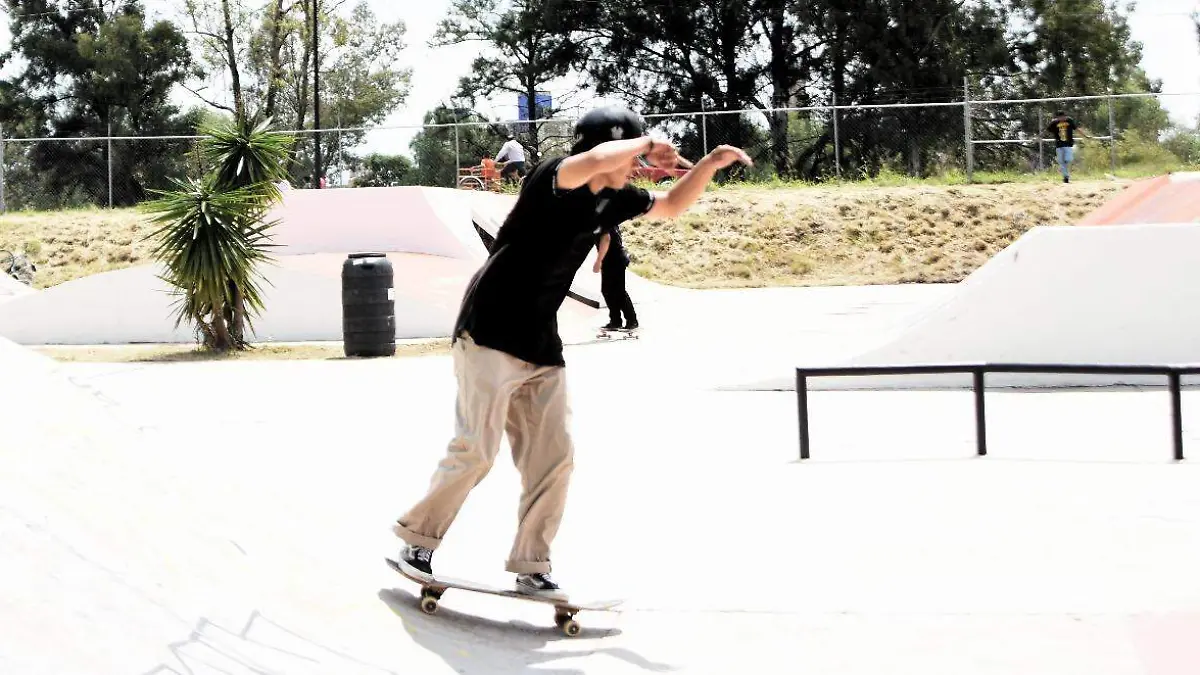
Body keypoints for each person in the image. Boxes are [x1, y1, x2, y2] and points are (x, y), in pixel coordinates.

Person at [391, 106, 751, 599]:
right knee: (477, 449)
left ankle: (531, 564)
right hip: (489, 328)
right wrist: (646, 145)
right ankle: (417, 541)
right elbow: (598, 156)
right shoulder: (554, 177)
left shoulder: (616, 200)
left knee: (554, 458)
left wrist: (708, 164)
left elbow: (669, 205)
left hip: (541, 342)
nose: (633, 166)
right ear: (610, 149)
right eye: (629, 152)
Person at [593, 223, 638, 330]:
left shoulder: (602, 218)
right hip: (611, 259)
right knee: (608, 291)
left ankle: (632, 321)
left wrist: (598, 261)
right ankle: (615, 321)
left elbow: (606, 238)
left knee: (618, 292)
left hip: (615, 259)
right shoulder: (608, 218)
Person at [1046, 111, 1079, 183]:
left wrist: (1085, 136)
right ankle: (1066, 177)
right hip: (1059, 145)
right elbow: (1046, 130)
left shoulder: (1069, 121)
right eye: (1060, 117)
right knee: (1061, 162)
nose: (1062, 118)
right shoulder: (1054, 123)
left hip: (1068, 144)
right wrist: (1038, 137)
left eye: (1063, 117)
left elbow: (1076, 128)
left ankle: (1066, 174)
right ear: (1057, 117)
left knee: (1068, 159)